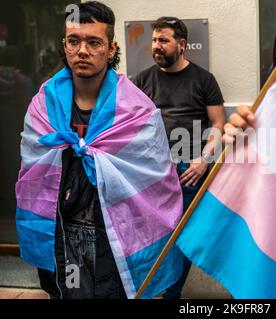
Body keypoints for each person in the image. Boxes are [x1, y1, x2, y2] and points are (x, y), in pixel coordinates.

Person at [16, 1, 183, 299]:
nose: (83, 51)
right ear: (64, 45)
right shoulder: (44, 104)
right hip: (63, 236)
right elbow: (32, 170)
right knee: (68, 293)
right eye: (74, 41)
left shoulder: (136, 109)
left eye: (94, 42)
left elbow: (157, 179)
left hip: (115, 237)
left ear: (110, 48)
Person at [133, 17, 226, 299]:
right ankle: (152, 289)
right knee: (152, 237)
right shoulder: (143, 80)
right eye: (154, 40)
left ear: (182, 45)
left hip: (189, 170)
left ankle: (171, 293)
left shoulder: (204, 80)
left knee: (181, 239)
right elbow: (133, 125)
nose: (156, 46)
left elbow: (219, 125)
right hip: (154, 172)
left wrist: (204, 160)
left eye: (164, 40)